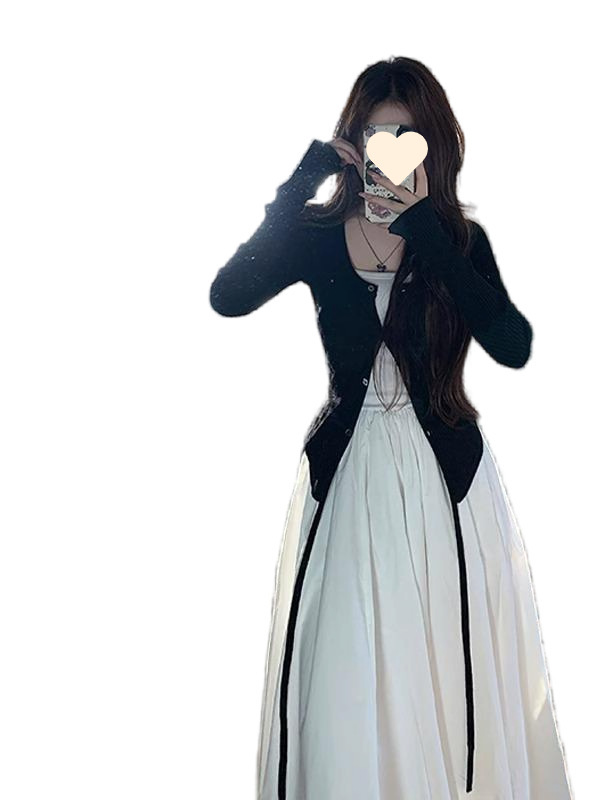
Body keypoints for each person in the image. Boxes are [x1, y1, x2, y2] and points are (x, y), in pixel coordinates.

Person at [209, 56, 573, 800]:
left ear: (433, 144)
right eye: (377, 136)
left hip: (447, 487)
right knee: (341, 674)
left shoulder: (458, 242)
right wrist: (297, 187)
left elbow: (512, 344)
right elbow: (229, 294)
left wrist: (428, 234)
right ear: (355, 142)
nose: (391, 153)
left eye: (407, 137)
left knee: (437, 666)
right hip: (345, 480)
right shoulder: (316, 235)